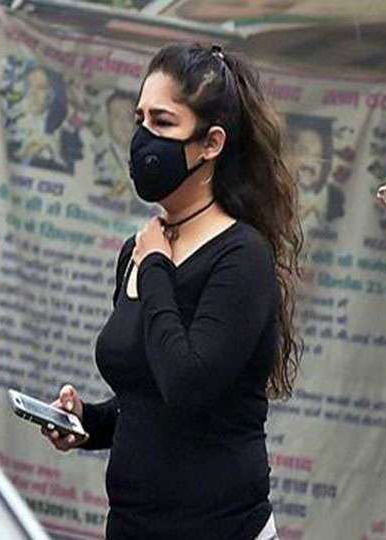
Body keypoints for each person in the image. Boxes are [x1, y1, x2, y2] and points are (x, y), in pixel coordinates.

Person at [41, 43, 303, 540]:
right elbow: (145, 401)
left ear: (211, 144)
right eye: (140, 119)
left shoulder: (242, 256)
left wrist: (157, 266)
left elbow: (186, 384)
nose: (144, 138)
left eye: (163, 122)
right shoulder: (139, 250)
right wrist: (86, 422)